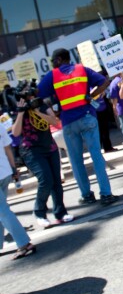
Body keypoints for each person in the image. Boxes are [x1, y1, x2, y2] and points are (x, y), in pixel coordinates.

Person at [37, 48, 119, 206]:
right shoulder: (82, 69)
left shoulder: (52, 75)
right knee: (96, 156)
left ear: (60, 59)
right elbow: (104, 81)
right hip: (87, 116)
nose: (53, 65)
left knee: (76, 160)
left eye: (53, 61)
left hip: (68, 121)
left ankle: (87, 195)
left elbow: (38, 93)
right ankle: (106, 194)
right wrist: (92, 96)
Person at [11, 85, 72, 227]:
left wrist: (37, 112)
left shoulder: (41, 105)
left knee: (56, 181)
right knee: (45, 180)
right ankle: (39, 212)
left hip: (49, 147)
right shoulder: (19, 110)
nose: (31, 97)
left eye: (31, 94)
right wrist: (21, 112)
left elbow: (54, 122)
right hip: (31, 150)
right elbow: (15, 132)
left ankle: (61, 213)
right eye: (28, 95)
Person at [0, 126, 37, 260]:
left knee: (2, 211)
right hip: (4, 172)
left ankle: (24, 243)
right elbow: (7, 147)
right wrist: (13, 168)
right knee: (1, 210)